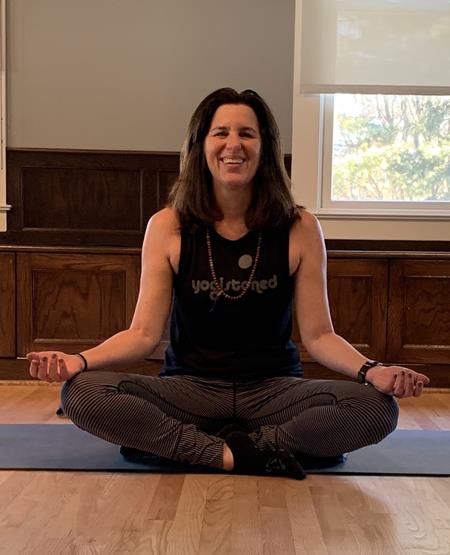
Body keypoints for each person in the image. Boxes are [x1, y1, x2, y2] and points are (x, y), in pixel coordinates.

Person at [27, 88, 430, 479]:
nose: (233, 145)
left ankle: (213, 446)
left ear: (264, 148)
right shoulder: (167, 226)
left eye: (246, 134)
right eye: (220, 132)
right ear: (201, 146)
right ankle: (236, 454)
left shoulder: (301, 227)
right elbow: (142, 335)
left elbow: (320, 336)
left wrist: (372, 370)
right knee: (81, 393)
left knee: (377, 408)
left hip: (273, 391)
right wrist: (78, 361)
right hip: (190, 390)